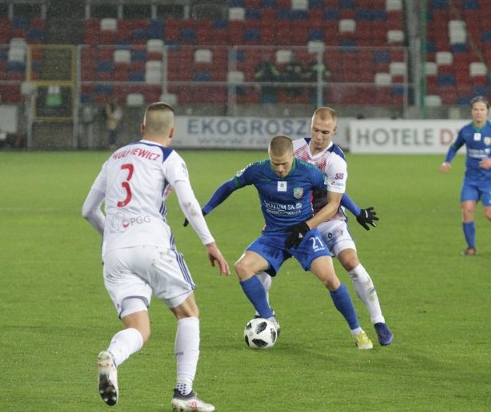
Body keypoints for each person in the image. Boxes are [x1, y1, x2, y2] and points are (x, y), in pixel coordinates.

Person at [82, 102, 230, 411]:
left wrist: (113, 238)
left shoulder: (115, 157)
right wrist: (210, 242)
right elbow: (189, 204)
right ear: (172, 132)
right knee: (188, 313)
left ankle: (113, 357)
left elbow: (88, 210)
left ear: (141, 128)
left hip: (114, 253)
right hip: (153, 245)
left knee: (139, 328)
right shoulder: (168, 156)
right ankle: (184, 393)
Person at [202, 135, 374, 349]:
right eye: (275, 164)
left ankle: (358, 332)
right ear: (269, 158)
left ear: (293, 156)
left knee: (330, 279)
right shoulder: (258, 170)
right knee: (242, 267)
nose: (280, 169)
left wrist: (358, 212)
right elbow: (229, 186)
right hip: (273, 237)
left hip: (304, 236)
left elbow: (336, 195)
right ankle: (269, 319)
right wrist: (204, 210)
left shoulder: (309, 173)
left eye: (284, 163)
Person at [256, 107, 393, 346]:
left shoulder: (335, 159)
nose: (319, 137)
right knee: (262, 265)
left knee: (351, 262)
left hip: (328, 219)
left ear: (335, 131)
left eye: (325, 132)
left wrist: (355, 211)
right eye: (315, 130)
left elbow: (334, 199)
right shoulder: (295, 148)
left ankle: (378, 320)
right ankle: (266, 317)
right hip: (294, 219)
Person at [439, 96, 491, 255]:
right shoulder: (466, 130)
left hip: (490, 179)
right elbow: (453, 147)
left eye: (482, 109)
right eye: (476, 109)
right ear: (471, 111)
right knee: (466, 210)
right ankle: (471, 247)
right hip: (470, 179)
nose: (479, 112)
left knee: (490, 213)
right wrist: (447, 162)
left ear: (487, 111)